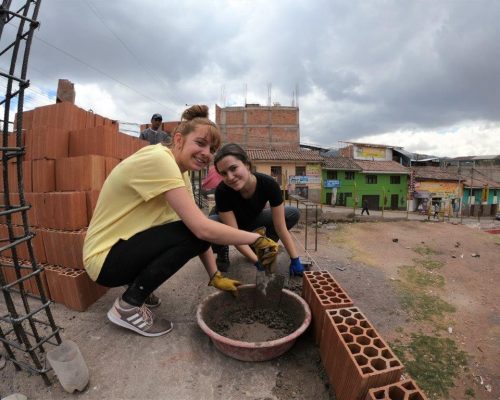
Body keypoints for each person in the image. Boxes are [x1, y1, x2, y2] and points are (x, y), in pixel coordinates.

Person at [83, 106, 279, 337]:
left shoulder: (180, 172)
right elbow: (200, 230)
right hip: (104, 260)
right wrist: (257, 239)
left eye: (212, 148)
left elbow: (196, 226)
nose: (207, 153)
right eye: (200, 143)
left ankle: (134, 285)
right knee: (194, 230)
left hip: (121, 251)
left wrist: (214, 275)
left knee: (190, 228)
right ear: (178, 139)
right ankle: (128, 305)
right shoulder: (159, 159)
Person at [209, 143, 305, 276]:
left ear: (247, 165)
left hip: (253, 220)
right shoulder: (222, 191)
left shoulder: (269, 184)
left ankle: (261, 248)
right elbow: (234, 233)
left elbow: (280, 227)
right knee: (210, 224)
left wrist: (295, 259)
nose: (230, 177)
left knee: (292, 213)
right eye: (224, 173)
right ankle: (222, 250)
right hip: (230, 227)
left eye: (234, 168)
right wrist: (256, 262)